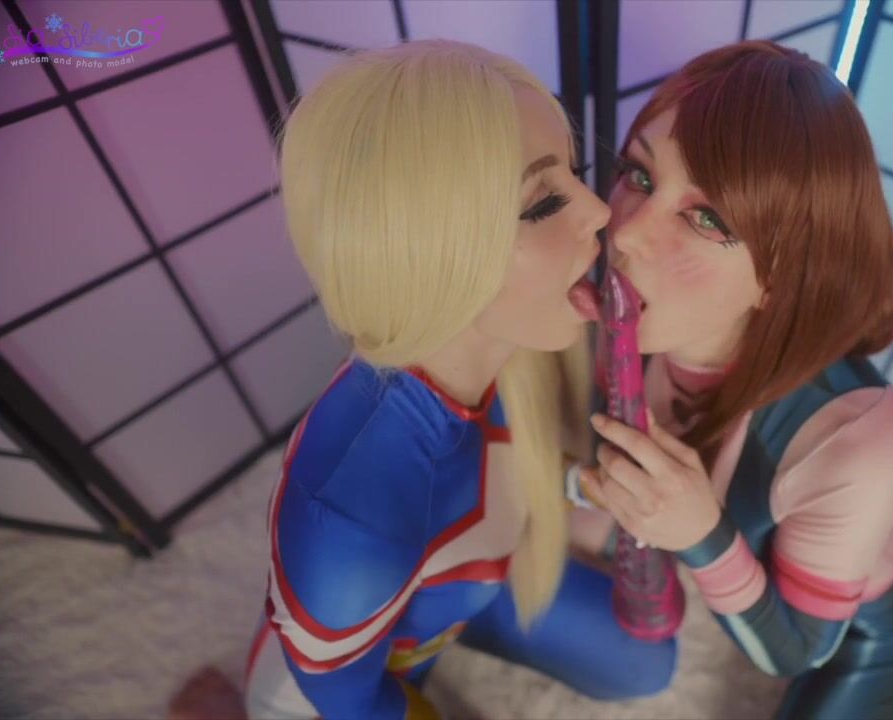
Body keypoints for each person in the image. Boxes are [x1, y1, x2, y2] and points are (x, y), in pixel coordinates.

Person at [242, 40, 676, 719]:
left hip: (459, 587)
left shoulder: (506, 360)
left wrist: (591, 489)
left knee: (645, 660)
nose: (599, 211)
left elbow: (490, 476)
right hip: (333, 697)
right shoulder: (351, 521)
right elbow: (350, 705)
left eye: (574, 173)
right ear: (434, 253)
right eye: (543, 203)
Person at [574, 40, 893, 720]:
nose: (626, 234)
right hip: (792, 531)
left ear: (780, 275)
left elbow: (791, 650)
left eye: (705, 217)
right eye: (638, 174)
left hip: (881, 622)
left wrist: (703, 536)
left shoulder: (856, 440)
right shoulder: (629, 320)